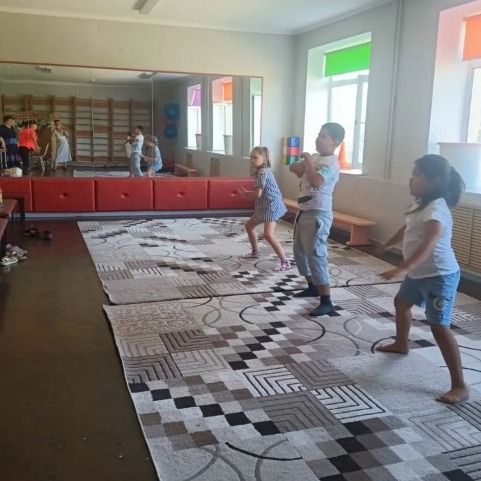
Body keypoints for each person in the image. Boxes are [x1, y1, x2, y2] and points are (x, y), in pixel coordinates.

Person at [376, 154, 468, 405]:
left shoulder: (437, 209)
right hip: (419, 273)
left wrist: (401, 269)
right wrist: (387, 244)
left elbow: (428, 245)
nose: (411, 178)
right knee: (401, 303)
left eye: (417, 175)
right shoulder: (419, 203)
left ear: (434, 181)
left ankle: (460, 385)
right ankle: (401, 343)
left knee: (439, 326)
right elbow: (407, 227)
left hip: (439, 276)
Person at [289, 122, 345, 316]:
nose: (318, 139)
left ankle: (326, 300)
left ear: (335, 142)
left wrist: (309, 163)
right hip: (304, 211)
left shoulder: (331, 163)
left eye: (323, 136)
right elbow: (295, 170)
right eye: (318, 135)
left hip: (318, 214)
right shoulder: (315, 157)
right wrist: (302, 163)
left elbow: (316, 182)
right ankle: (312, 286)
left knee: (316, 254)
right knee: (300, 252)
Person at [239, 146, 290, 271]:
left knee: (268, 234)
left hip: (271, 206)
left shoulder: (262, 172)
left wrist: (247, 196)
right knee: (249, 226)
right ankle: (255, 252)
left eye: (255, 158)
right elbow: (260, 192)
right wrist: (248, 193)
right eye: (251, 157)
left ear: (264, 159)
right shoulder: (262, 171)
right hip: (264, 205)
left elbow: (257, 194)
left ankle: (285, 262)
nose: (252, 160)